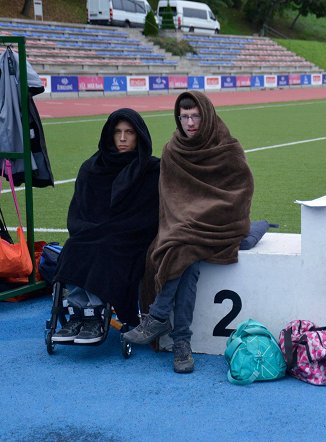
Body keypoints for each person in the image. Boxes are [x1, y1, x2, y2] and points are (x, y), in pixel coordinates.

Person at [123, 91, 254, 374]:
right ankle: (182, 341)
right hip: (185, 226)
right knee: (186, 257)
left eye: (195, 116)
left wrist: (202, 215)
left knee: (182, 246)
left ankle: (157, 316)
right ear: (178, 118)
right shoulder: (173, 150)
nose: (190, 123)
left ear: (205, 116)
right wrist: (188, 220)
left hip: (222, 223)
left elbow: (240, 191)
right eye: (184, 117)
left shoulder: (227, 147)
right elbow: (172, 198)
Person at [52, 108, 160, 344]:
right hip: (92, 231)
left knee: (104, 245)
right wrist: (91, 228)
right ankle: (77, 313)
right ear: (109, 135)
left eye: (129, 132)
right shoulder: (91, 168)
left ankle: (94, 313)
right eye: (117, 132)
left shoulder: (151, 169)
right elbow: (77, 212)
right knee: (75, 245)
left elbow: (149, 216)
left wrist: (113, 229)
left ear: (138, 135)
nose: (122, 138)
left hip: (130, 237)